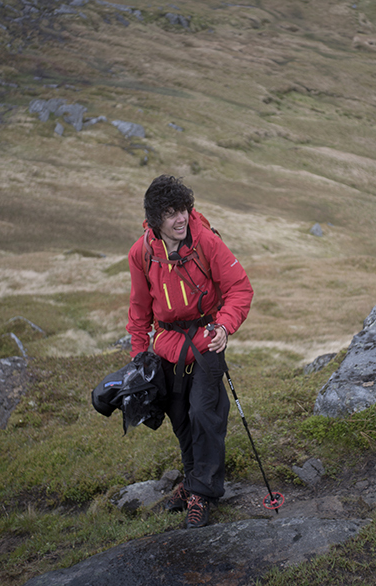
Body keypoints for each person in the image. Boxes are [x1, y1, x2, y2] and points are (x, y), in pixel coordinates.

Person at [127, 175, 254, 528]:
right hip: (167, 348)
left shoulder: (206, 242)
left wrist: (224, 327)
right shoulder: (141, 254)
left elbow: (240, 288)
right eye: (170, 213)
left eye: (183, 209)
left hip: (206, 341)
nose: (180, 219)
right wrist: (140, 357)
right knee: (180, 417)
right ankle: (192, 480)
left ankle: (203, 493)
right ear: (155, 220)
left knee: (204, 413)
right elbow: (139, 310)